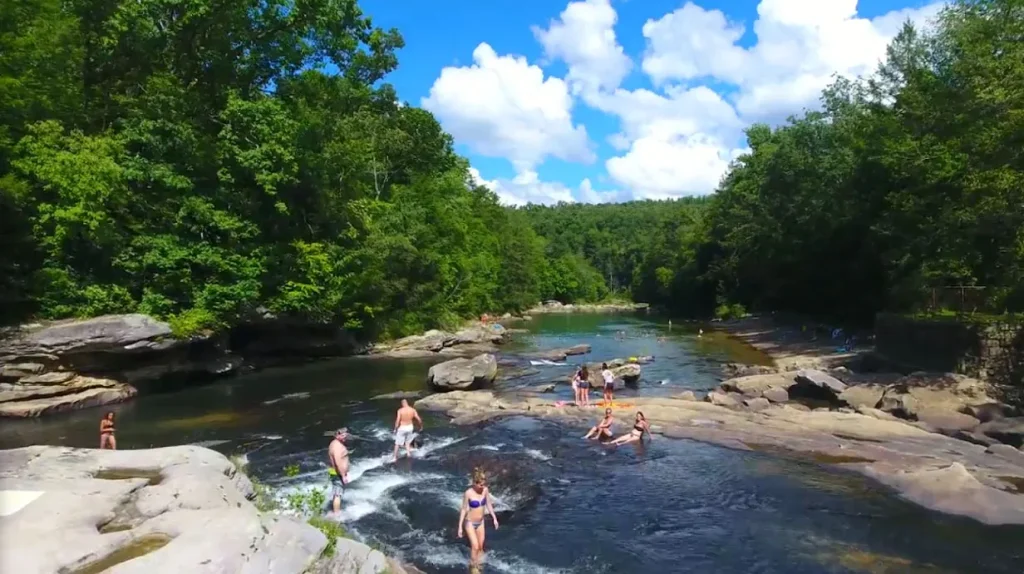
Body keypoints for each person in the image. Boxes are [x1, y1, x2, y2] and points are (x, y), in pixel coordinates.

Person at [457, 467, 499, 568]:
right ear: (475, 483)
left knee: (480, 547)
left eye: (483, 484)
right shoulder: (468, 493)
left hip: (481, 522)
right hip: (470, 523)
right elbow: (463, 509)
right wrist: (459, 527)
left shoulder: (485, 490)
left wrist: (494, 518)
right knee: (475, 546)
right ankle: (472, 567)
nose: (482, 486)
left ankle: (479, 565)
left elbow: (488, 504)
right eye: (480, 484)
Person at [327, 428, 350, 513]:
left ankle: (335, 510)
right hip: (338, 473)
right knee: (338, 494)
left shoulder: (335, 443)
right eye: (343, 436)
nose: (345, 438)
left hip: (337, 472)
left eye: (346, 436)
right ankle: (336, 514)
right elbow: (337, 461)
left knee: (337, 492)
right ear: (338, 435)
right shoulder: (337, 446)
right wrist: (343, 475)